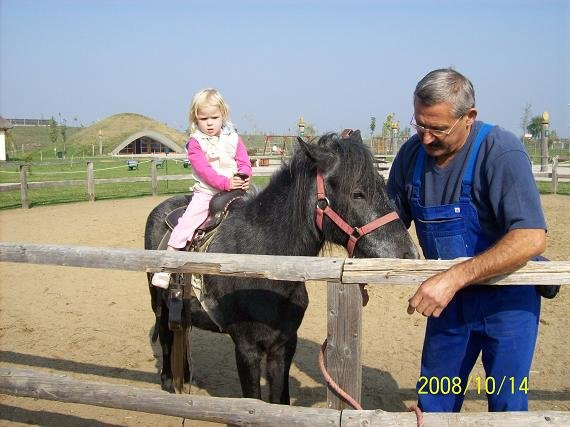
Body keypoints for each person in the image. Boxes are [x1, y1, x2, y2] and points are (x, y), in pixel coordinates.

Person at [387, 68, 548, 412]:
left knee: (507, 405)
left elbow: (531, 238)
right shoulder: (411, 156)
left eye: (438, 128)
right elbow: (387, 226)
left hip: (508, 305)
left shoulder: (501, 152)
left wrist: (453, 278)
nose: (426, 138)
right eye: (420, 125)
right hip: (448, 307)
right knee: (435, 404)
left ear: (469, 117)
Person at [152, 88, 252, 288]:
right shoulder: (195, 143)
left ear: (223, 114)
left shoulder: (233, 137)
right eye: (203, 118)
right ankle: (167, 264)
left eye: (214, 117)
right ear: (195, 118)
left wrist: (245, 176)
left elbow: (244, 162)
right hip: (208, 192)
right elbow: (205, 171)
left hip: (236, 190)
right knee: (188, 222)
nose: (209, 123)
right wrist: (226, 183)